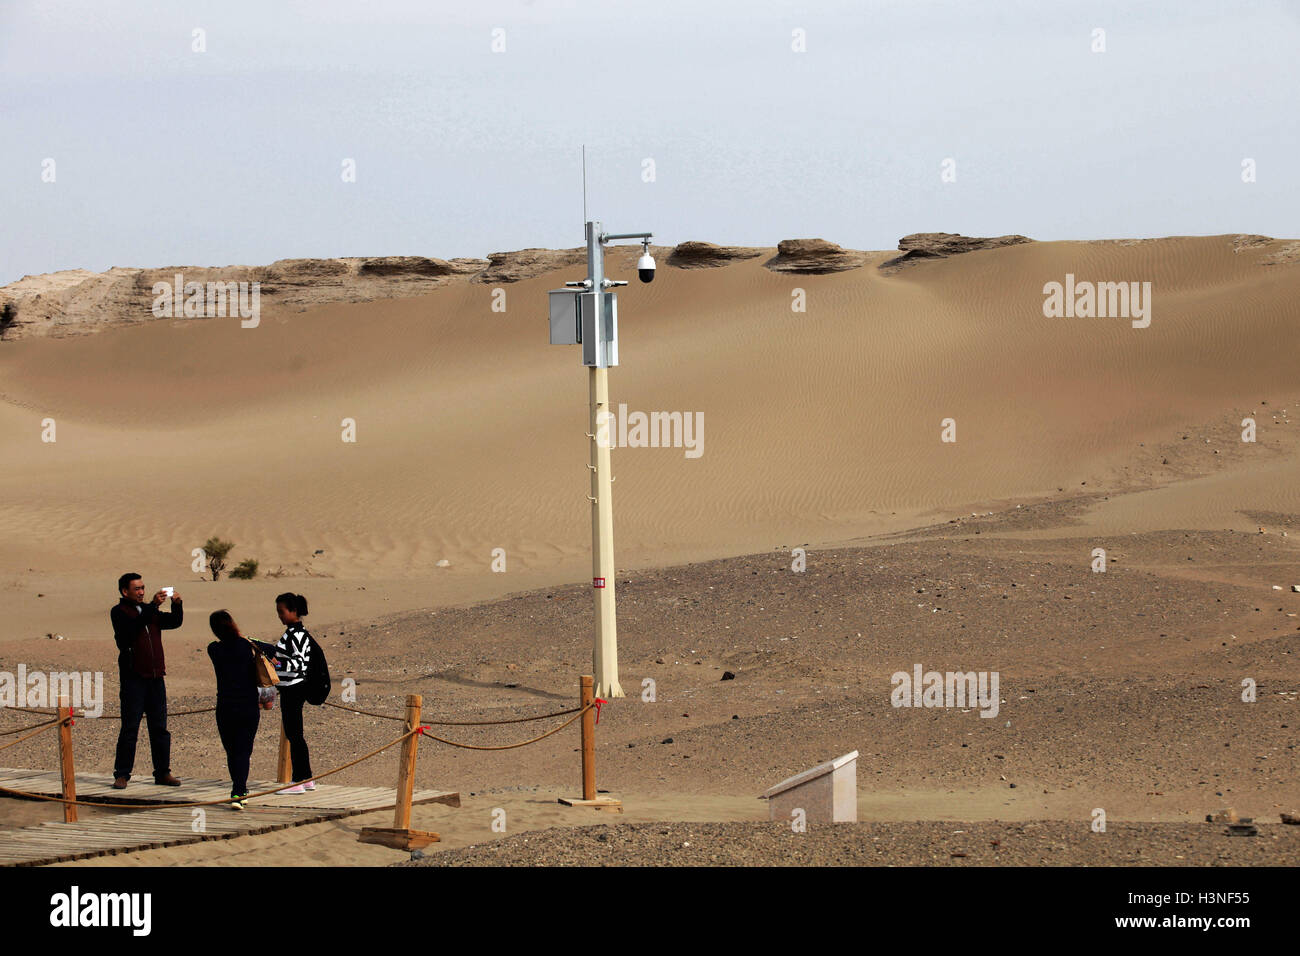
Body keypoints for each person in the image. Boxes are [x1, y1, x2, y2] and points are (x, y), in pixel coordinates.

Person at [110, 573, 183, 789]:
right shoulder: (120, 612)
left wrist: (177, 605)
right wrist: (152, 605)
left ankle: (162, 772)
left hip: (155, 677)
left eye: (143, 588)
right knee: (130, 728)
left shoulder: (151, 612)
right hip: (134, 678)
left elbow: (174, 622)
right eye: (137, 589)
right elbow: (130, 631)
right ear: (125, 592)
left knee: (160, 728)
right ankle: (122, 774)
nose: (141, 592)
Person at [207, 611, 275, 810]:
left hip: (226, 706)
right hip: (247, 705)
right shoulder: (246, 645)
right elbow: (271, 650)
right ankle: (239, 791)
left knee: (232, 750)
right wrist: (246, 637)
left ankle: (239, 790)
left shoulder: (214, 649)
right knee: (244, 750)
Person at [269, 593, 316, 793]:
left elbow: (298, 663)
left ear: (293, 611)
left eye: (282, 611)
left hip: (294, 688)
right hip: (292, 687)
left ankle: (297, 781)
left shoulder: (296, 634)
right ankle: (306, 778)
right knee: (295, 734)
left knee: (295, 734)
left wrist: (275, 662)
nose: (279, 615)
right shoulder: (294, 632)